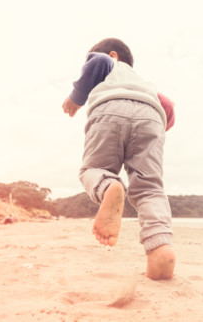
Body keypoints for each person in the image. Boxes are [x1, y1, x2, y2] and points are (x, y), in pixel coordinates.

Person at [62, 38, 176, 280]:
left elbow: (99, 61)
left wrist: (76, 97)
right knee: (150, 190)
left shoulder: (109, 63)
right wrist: (156, 127)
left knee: (94, 169)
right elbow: (168, 106)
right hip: (152, 118)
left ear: (114, 55)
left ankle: (110, 186)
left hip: (110, 109)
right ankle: (160, 248)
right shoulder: (145, 85)